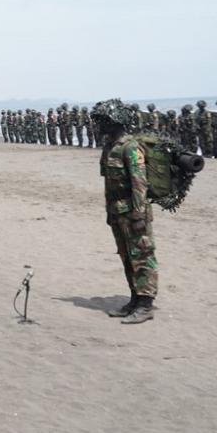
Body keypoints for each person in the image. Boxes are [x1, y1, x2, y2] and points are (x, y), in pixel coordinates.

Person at [91, 99, 158, 324]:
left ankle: (146, 304)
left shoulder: (130, 147)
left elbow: (140, 183)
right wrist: (110, 213)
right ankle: (134, 299)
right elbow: (110, 184)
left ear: (115, 121)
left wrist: (139, 214)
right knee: (126, 257)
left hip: (133, 212)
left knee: (142, 257)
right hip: (117, 211)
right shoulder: (110, 147)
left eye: (104, 121)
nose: (100, 126)